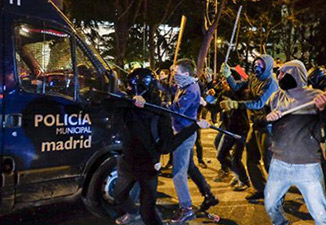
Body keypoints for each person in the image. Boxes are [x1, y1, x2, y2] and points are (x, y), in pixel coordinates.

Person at [108, 68, 210, 225]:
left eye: (130, 86)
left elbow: (167, 146)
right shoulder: (127, 106)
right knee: (119, 195)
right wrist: (131, 100)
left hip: (148, 166)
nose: (127, 89)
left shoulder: (160, 113)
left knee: (147, 211)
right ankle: (132, 213)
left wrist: (194, 126)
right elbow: (108, 104)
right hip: (127, 163)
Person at [261, 60, 326, 225]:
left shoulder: (315, 97)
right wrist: (265, 118)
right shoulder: (275, 98)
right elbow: (257, 123)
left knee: (321, 216)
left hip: (308, 165)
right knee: (270, 205)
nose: (278, 76)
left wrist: (324, 109)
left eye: (282, 73)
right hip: (279, 164)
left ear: (295, 74)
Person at [220, 55, 279, 200]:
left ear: (268, 66)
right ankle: (261, 188)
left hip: (269, 125)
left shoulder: (271, 83)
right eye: (256, 63)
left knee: (268, 161)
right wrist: (228, 76)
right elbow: (237, 86)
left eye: (261, 64)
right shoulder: (253, 79)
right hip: (256, 123)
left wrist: (237, 104)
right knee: (251, 156)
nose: (257, 66)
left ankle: (278, 193)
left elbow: (259, 102)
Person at [170, 59, 219, 223]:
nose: (175, 75)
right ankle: (209, 194)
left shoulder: (191, 90)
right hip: (183, 131)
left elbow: (177, 110)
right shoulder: (184, 86)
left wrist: (162, 105)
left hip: (185, 134)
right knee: (189, 167)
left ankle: (186, 208)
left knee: (178, 173)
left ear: (185, 74)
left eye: (177, 72)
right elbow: (171, 91)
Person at [307, 67, 326, 197]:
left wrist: (322, 109)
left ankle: (323, 190)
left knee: (325, 164)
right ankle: (322, 190)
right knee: (324, 164)